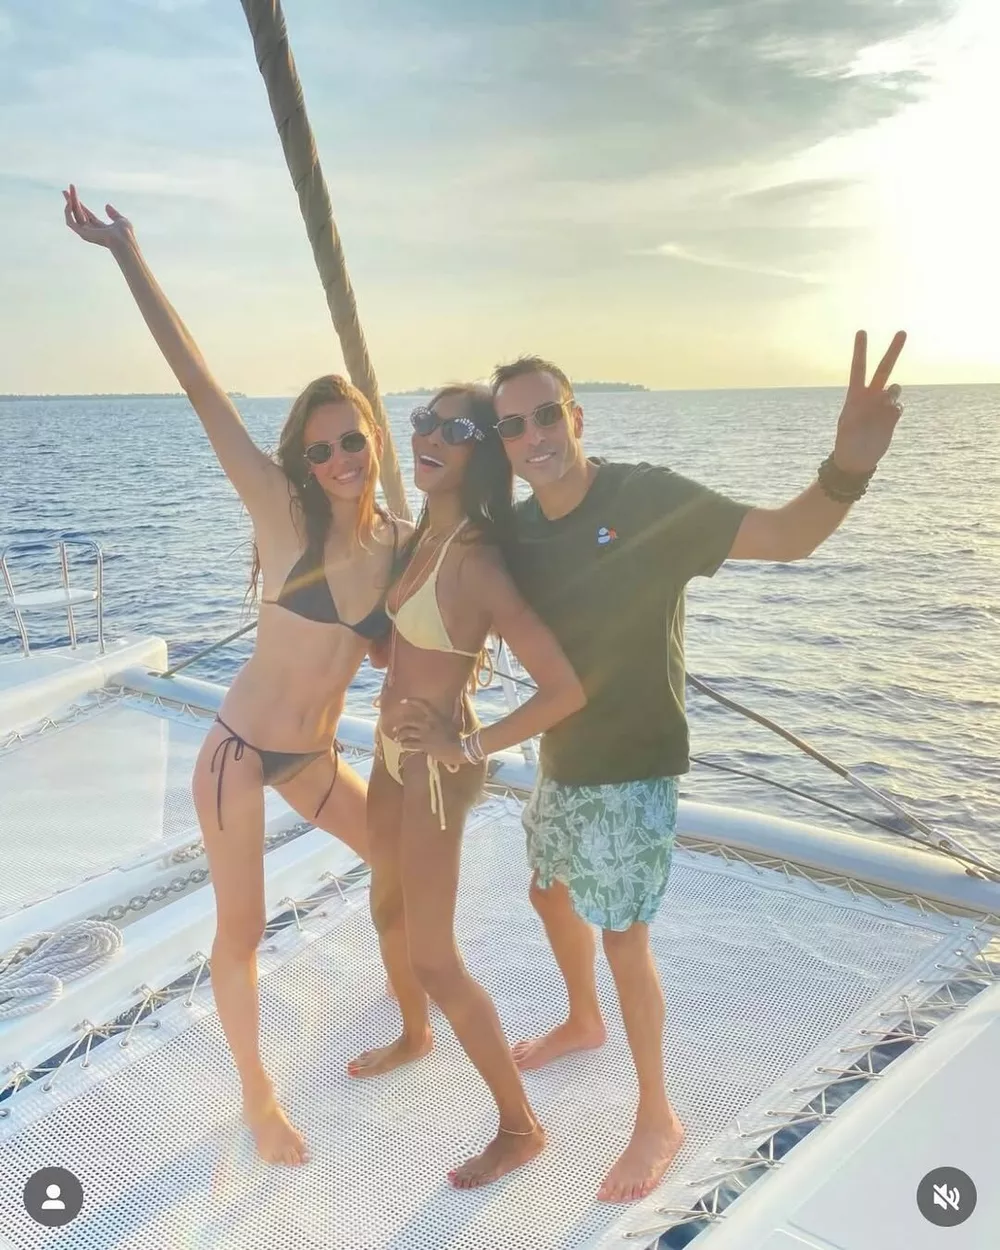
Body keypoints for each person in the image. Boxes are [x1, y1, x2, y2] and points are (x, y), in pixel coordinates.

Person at [476, 342, 906, 1203]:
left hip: (635, 763)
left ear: (576, 417)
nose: (534, 436)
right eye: (513, 426)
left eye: (547, 414)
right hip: (562, 754)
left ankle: (658, 1118)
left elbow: (787, 536)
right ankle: (583, 1018)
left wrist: (849, 463)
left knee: (623, 937)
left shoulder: (646, 498)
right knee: (548, 891)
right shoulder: (517, 532)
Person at [63, 185, 408, 1167]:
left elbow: (416, 642)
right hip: (242, 754)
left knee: (400, 860)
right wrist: (126, 253)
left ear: (374, 440)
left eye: (352, 440)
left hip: (315, 757)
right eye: (320, 446)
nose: (338, 457)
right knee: (243, 928)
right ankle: (258, 1097)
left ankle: (407, 1002)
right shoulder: (279, 511)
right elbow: (196, 379)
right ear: (304, 456)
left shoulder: (400, 543)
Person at [350, 384, 586, 1189]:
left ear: (481, 451)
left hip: (435, 772)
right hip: (390, 751)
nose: (427, 434)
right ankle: (415, 1035)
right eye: (424, 418)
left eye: (453, 428)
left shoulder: (478, 559)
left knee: (436, 957)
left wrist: (467, 743)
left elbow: (563, 689)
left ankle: (521, 1127)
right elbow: (403, 649)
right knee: (386, 906)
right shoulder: (424, 535)